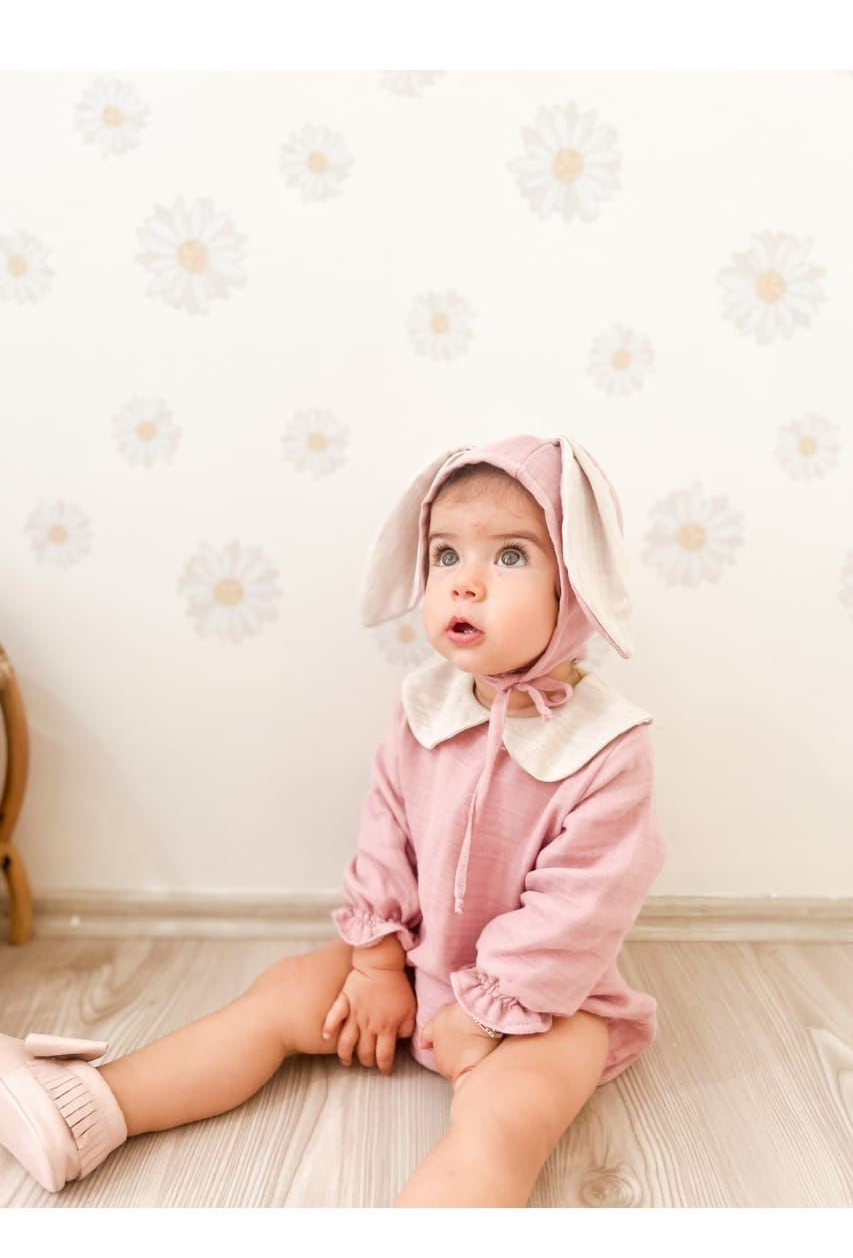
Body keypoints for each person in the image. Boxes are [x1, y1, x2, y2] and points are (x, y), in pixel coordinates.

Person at [0, 433, 667, 1208]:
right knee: (280, 995)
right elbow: (387, 834)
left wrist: (488, 1016)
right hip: (420, 963)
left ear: (575, 586)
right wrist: (378, 964)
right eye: (445, 556)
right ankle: (89, 1112)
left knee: (506, 1113)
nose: (465, 584)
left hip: (547, 1002)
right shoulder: (426, 707)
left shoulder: (607, 746)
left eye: (510, 556)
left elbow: (580, 909)